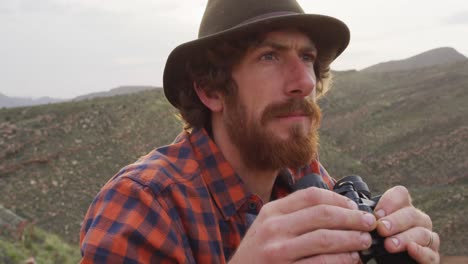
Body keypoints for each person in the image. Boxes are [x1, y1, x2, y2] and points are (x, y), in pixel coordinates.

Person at [80, 0, 440, 263]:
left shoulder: (307, 179)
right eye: (270, 56)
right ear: (211, 90)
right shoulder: (145, 203)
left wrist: (403, 244)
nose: (303, 82)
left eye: (308, 58)